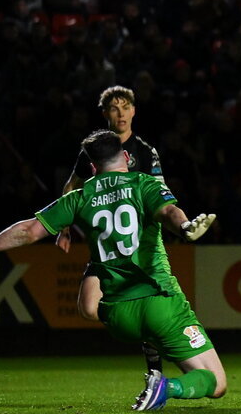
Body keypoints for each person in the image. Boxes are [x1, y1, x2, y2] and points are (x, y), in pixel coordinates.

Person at [0, 129, 222, 411]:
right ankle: (166, 386)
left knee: (92, 298)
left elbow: (28, 231)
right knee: (216, 383)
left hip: (117, 315)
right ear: (126, 157)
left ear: (93, 166)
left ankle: (147, 340)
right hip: (160, 303)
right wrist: (185, 227)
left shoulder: (79, 196)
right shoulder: (142, 183)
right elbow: (169, 212)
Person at [58, 86, 166, 370]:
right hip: (106, 244)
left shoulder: (144, 152)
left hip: (139, 244)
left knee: (150, 303)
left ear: (134, 110)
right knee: (89, 308)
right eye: (114, 108)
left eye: (126, 107)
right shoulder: (95, 150)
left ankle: (154, 367)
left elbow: (160, 192)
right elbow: (71, 186)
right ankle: (139, 326)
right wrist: (64, 226)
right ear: (105, 113)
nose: (121, 114)